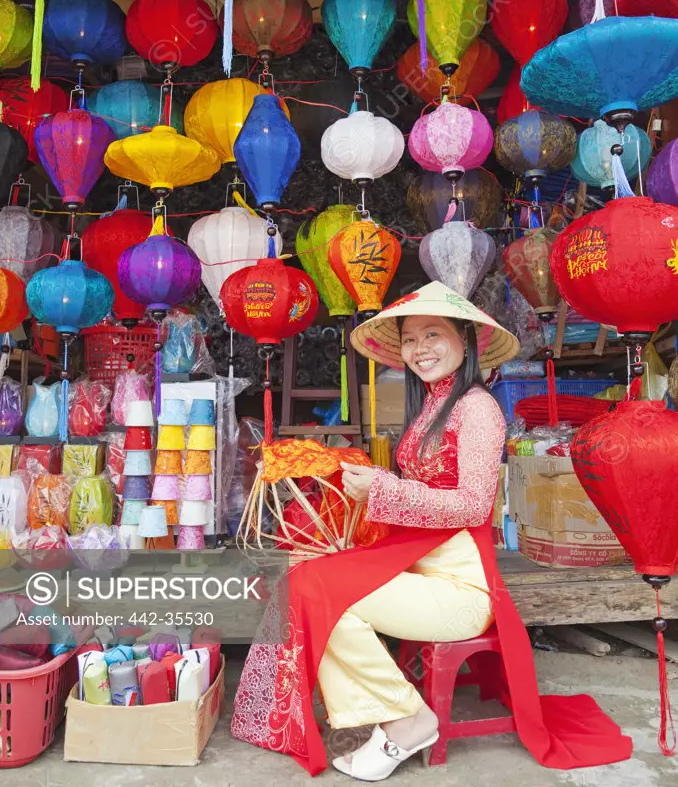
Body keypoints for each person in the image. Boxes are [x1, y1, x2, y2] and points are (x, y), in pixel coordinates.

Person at [231, 283, 632, 780]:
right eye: (410, 339)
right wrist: (365, 481)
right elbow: (417, 489)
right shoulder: (431, 408)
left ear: (465, 339)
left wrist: (384, 490)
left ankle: (406, 720)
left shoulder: (479, 408)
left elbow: (472, 505)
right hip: (421, 564)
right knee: (307, 574)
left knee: (315, 588)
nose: (420, 349)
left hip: (461, 584)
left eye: (433, 334)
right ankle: (380, 710)